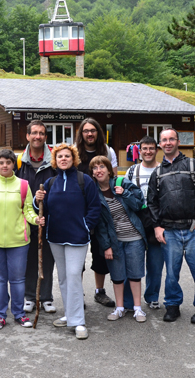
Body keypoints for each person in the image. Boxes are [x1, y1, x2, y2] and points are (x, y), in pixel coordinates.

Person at [148, 129, 195, 324]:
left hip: (194, 229)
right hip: (169, 231)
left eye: (171, 139)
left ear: (178, 141)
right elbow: (151, 202)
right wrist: (157, 226)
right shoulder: (158, 173)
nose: (168, 142)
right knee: (171, 272)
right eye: (164, 140)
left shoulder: (192, 166)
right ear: (160, 144)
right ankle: (172, 305)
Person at [35, 143, 101, 339]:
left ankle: (78, 321)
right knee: (63, 277)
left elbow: (94, 208)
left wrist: (85, 226)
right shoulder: (50, 183)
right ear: (55, 160)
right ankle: (69, 314)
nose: (63, 159)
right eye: (60, 156)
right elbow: (43, 208)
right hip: (55, 236)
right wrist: (36, 200)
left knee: (73, 275)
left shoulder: (84, 180)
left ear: (74, 159)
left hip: (77, 237)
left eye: (67, 156)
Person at [0, 149, 42, 330]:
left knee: (17, 280)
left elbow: (28, 210)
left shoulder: (23, 185)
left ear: (14, 164)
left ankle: (20, 314)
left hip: (18, 241)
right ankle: (0, 315)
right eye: (1, 162)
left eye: (8, 162)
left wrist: (35, 219)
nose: (4, 165)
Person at [90, 155, 148, 323]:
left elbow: (139, 204)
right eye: (95, 168)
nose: (98, 170)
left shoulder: (122, 183)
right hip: (115, 241)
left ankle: (137, 308)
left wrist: (126, 194)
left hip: (134, 237)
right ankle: (120, 308)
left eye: (102, 167)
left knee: (135, 274)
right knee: (117, 275)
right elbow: (100, 225)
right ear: (92, 173)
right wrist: (106, 246)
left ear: (109, 170)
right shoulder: (94, 193)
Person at [75, 117, 118, 308]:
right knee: (78, 256)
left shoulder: (108, 151)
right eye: (86, 131)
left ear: (98, 132)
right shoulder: (75, 152)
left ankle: (99, 291)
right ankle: (78, 294)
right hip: (79, 211)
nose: (90, 133)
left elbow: (113, 177)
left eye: (93, 130)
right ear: (81, 133)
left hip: (101, 209)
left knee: (100, 254)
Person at [16, 120, 57, 314]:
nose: (37, 136)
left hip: (47, 218)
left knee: (47, 259)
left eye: (41, 133)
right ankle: (30, 296)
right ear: (27, 136)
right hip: (24, 218)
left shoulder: (54, 161)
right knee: (28, 259)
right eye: (34, 133)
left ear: (45, 137)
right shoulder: (19, 162)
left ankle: (47, 297)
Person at [124, 135, 164, 311]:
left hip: (158, 221)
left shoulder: (164, 170)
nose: (148, 152)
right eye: (144, 149)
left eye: (151, 148)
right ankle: (127, 301)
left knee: (155, 263)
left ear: (156, 150)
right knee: (131, 263)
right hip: (136, 222)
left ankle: (152, 296)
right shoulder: (132, 171)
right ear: (139, 151)